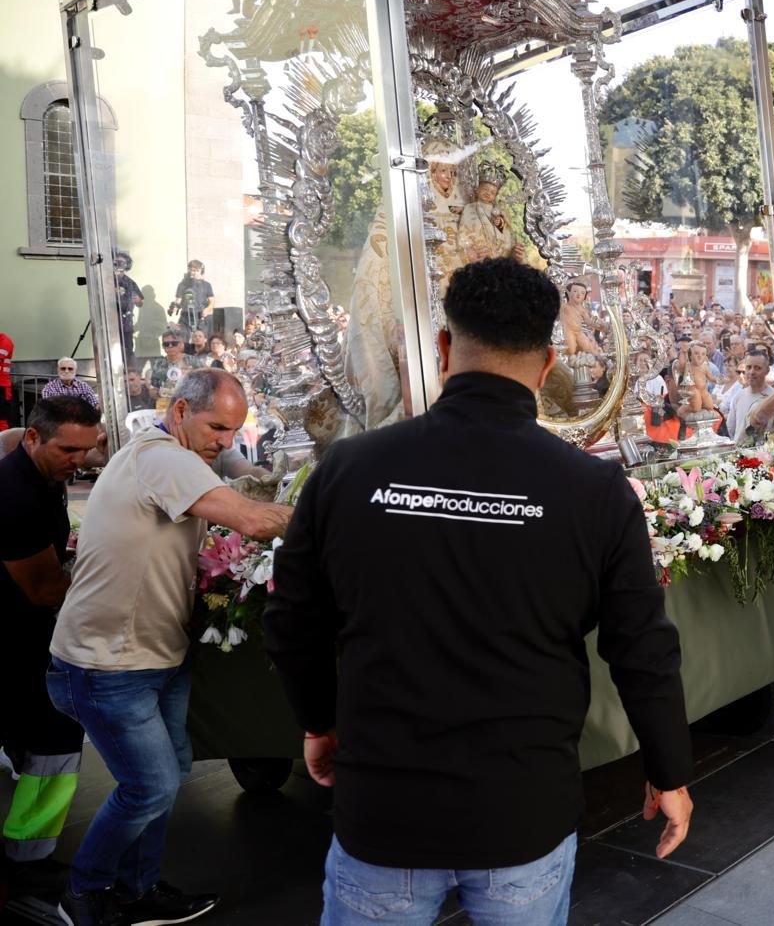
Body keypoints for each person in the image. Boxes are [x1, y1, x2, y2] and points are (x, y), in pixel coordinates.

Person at [263, 258, 693, 925]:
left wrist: (318, 720)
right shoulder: (594, 491)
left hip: (386, 806)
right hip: (521, 810)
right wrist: (669, 770)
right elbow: (642, 649)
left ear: (443, 348)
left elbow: (292, 621)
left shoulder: (351, 469)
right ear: (547, 363)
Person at [46, 369, 292, 926]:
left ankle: (137, 888)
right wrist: (341, 516)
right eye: (217, 428)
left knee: (167, 775)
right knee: (150, 785)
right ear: (180, 411)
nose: (225, 442)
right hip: (109, 664)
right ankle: (82, 892)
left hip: (156, 656)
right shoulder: (161, 457)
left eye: (233, 431)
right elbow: (253, 521)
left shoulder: (171, 457)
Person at [1, 398, 102, 901]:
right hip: (15, 641)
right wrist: (103, 574)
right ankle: (26, 861)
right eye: (68, 450)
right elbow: (44, 590)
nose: (79, 461)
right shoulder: (14, 494)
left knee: (46, 738)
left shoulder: (43, 475)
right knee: (55, 739)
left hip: (27, 636)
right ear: (33, 437)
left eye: (86, 450)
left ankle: (25, 857)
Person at [143, 329, 189, 412]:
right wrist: (161, 393)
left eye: (174, 343)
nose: (170, 346)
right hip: (164, 408)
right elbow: (152, 392)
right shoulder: (158, 364)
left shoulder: (194, 362)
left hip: (188, 407)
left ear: (181, 345)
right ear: (163, 347)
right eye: (166, 344)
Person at [167, 260, 215, 336]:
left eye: (197, 271)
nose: (194, 273)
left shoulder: (207, 285)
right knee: (184, 339)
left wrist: (207, 309)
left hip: (201, 317)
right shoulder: (182, 285)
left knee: (201, 339)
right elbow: (178, 301)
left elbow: (212, 302)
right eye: (192, 270)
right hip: (186, 317)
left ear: (201, 271)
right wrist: (174, 308)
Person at [112, 251, 143, 364]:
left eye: (122, 262)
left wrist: (138, 300)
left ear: (127, 265)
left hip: (126, 323)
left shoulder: (130, 282)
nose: (119, 264)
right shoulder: (107, 279)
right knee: (112, 351)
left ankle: (128, 371)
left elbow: (141, 303)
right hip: (110, 322)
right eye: (117, 262)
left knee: (127, 351)